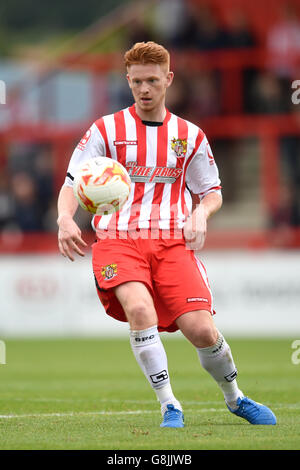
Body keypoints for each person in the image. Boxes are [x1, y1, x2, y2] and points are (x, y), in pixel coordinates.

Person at [57, 41, 276, 428]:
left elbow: (211, 191)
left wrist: (201, 213)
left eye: (152, 81)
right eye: (137, 81)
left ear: (168, 80)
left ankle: (235, 397)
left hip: (172, 241)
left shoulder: (189, 136)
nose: (144, 89)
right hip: (118, 240)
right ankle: (170, 405)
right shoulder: (105, 129)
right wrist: (64, 218)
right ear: (128, 81)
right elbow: (73, 181)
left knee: (202, 329)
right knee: (139, 309)